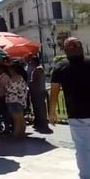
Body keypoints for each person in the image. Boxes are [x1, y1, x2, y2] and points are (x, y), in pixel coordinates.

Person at [49, 37, 90, 179]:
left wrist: (52, 112)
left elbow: (54, 92)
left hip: (77, 113)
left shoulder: (60, 67)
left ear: (65, 51)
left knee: (82, 148)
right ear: (82, 48)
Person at [29, 56, 53, 133]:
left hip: (38, 91)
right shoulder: (37, 69)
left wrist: (30, 83)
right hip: (37, 91)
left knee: (40, 108)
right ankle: (39, 122)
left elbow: (36, 81)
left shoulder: (38, 69)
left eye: (31, 61)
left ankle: (43, 122)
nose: (30, 63)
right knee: (37, 108)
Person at [6, 63, 28, 139]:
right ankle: (21, 133)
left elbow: (10, 88)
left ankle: (16, 134)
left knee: (17, 118)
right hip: (14, 100)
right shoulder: (14, 78)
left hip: (16, 100)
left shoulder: (18, 78)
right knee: (19, 118)